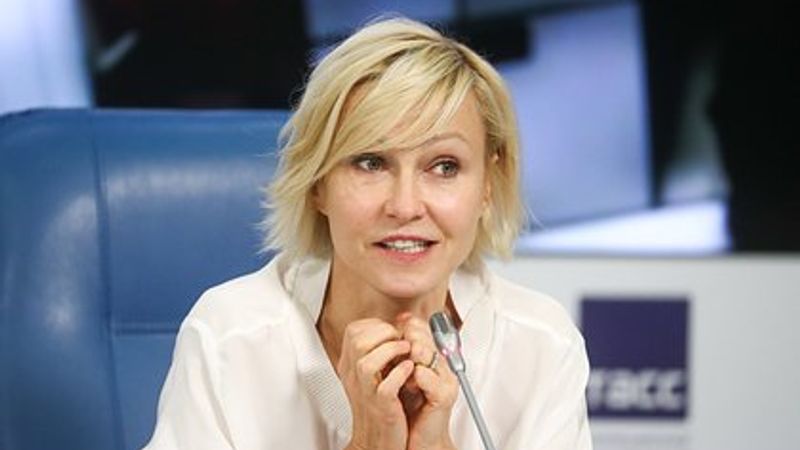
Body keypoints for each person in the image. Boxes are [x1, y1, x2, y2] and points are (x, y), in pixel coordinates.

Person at [144, 17, 591, 450]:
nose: (406, 206)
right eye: (371, 163)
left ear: (488, 186)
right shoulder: (229, 336)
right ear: (317, 184)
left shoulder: (542, 345)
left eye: (444, 167)